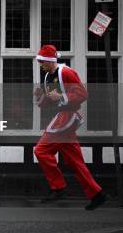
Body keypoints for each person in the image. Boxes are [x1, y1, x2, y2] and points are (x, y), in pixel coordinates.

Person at [33, 45, 107, 210]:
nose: (41, 65)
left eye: (42, 62)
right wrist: (40, 97)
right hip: (62, 118)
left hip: (66, 118)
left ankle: (58, 187)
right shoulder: (47, 77)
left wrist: (61, 96)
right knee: (75, 161)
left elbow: (82, 94)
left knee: (41, 151)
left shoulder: (65, 73)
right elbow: (49, 103)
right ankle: (97, 194)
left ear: (51, 60)